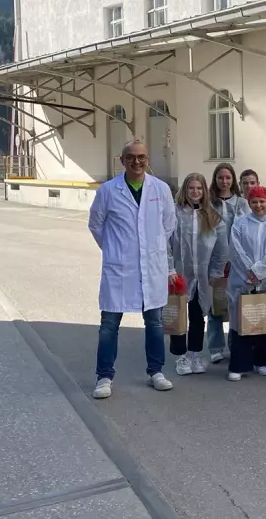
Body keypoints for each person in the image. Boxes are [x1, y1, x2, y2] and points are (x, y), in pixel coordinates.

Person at [88, 140, 176, 399]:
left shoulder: (161, 189)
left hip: (152, 267)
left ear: (148, 159)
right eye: (131, 157)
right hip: (120, 268)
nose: (136, 162)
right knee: (109, 323)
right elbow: (96, 225)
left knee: (154, 321)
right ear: (122, 160)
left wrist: (151, 249)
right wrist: (117, 251)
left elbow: (168, 225)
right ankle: (104, 376)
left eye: (141, 157)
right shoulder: (108, 190)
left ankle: (156, 372)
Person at [226, 186, 266, 381]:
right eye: (254, 201)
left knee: (264, 320)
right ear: (249, 203)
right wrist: (250, 271)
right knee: (241, 321)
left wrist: (259, 271)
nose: (258, 205)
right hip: (243, 280)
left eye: (262, 201)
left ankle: (263, 361)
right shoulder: (240, 224)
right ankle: (240, 364)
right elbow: (235, 250)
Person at [167, 173, 229, 376]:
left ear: (204, 191)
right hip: (178, 274)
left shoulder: (212, 217)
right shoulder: (174, 214)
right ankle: (180, 356)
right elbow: (165, 244)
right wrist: (169, 269)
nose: (195, 192)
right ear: (185, 190)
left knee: (197, 315)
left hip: (202, 276)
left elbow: (221, 248)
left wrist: (216, 271)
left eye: (199, 188)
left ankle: (194, 353)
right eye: (191, 188)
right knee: (178, 315)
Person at [206, 163, 250, 363]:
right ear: (215, 180)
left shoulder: (241, 203)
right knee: (215, 304)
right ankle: (215, 347)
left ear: (233, 180)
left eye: (228, 178)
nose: (224, 181)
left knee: (235, 305)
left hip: (237, 262)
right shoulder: (209, 203)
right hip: (214, 260)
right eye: (220, 177)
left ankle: (236, 345)